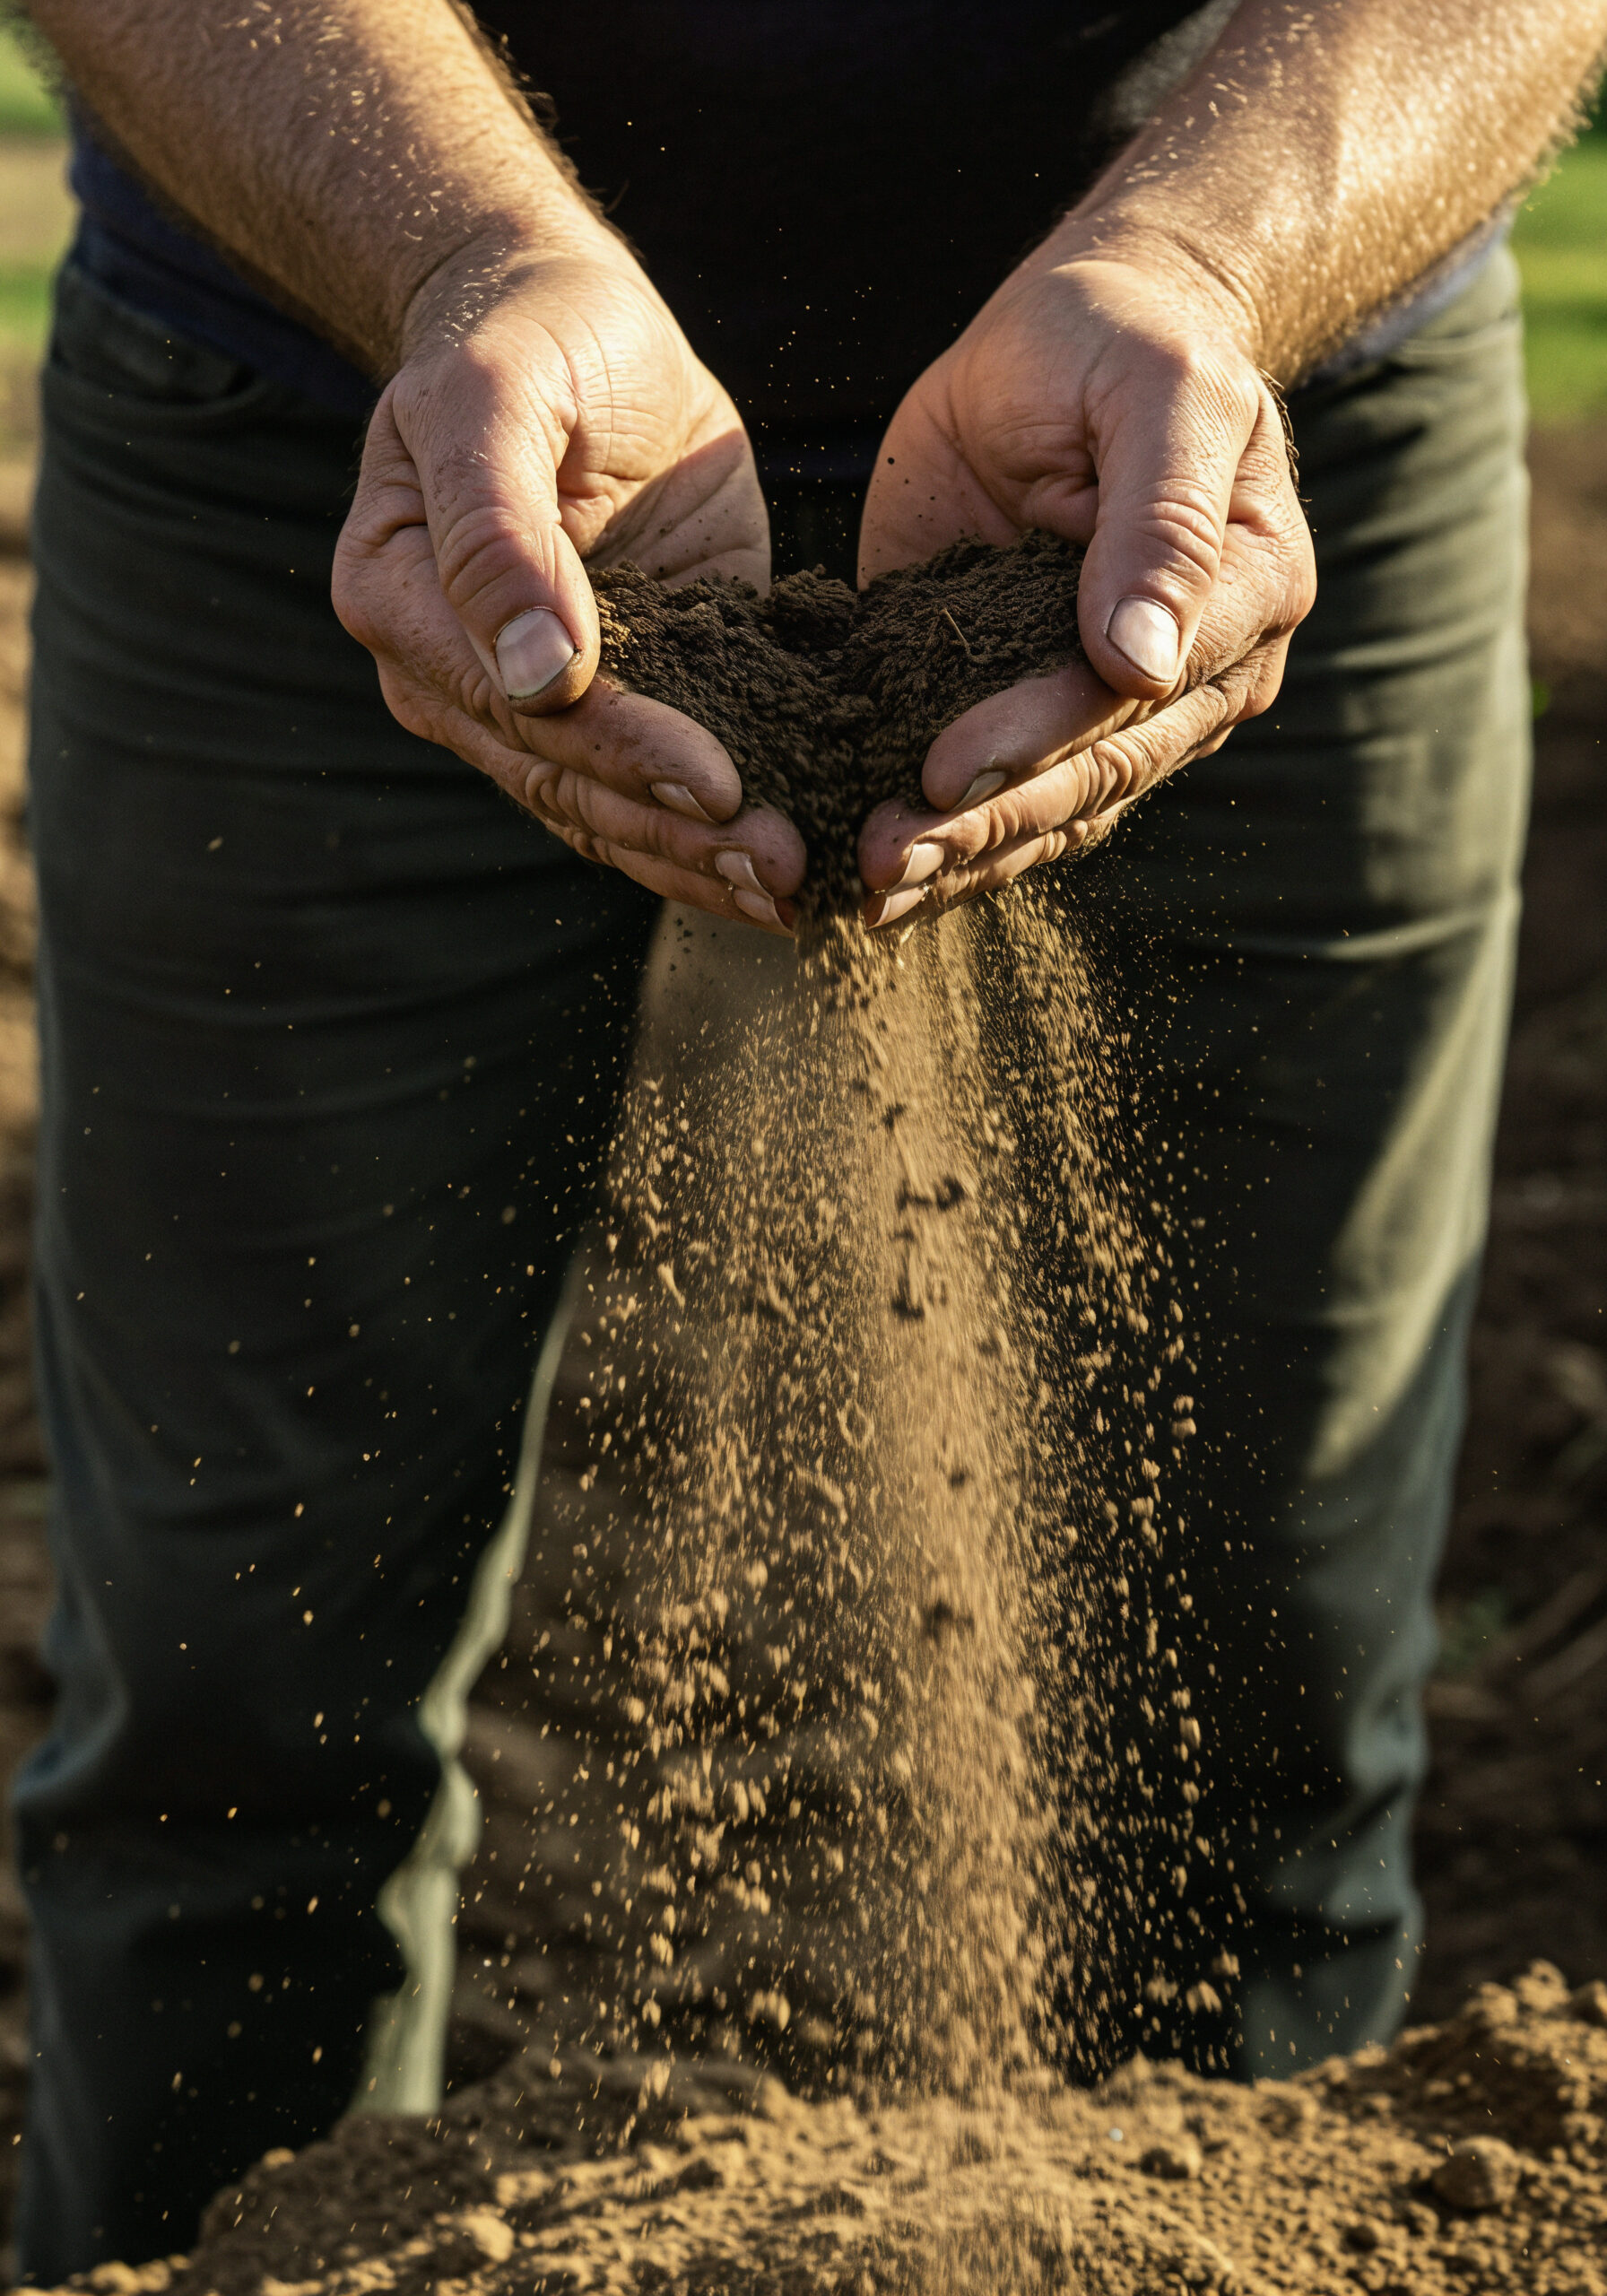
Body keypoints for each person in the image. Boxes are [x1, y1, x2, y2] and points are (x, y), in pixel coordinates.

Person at [9, 0, 1605, 2274]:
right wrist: (458, 253)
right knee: (234, 1734)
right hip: (337, 386)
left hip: (1242, 403)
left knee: (1245, 1717)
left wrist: (1208, 257)